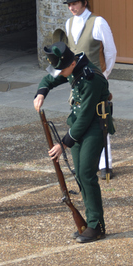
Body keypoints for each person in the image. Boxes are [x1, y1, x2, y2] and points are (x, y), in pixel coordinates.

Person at [33, 42, 113, 243]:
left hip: (94, 126)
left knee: (87, 174)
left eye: (62, 70)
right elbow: (49, 78)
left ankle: (96, 225)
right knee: (80, 175)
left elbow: (86, 116)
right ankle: (89, 221)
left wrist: (63, 143)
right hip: (78, 125)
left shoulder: (90, 78)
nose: (60, 74)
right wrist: (41, 92)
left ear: (71, 63)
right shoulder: (70, 66)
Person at [62, 0, 117, 180]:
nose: (72, 7)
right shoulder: (68, 24)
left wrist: (104, 75)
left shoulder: (98, 22)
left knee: (101, 119)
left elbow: (110, 51)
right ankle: (85, 162)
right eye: (69, 4)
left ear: (84, 2)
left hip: (96, 81)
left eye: (75, 3)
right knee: (79, 119)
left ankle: (105, 164)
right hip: (78, 84)